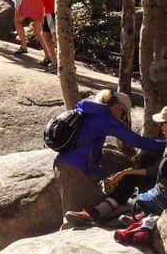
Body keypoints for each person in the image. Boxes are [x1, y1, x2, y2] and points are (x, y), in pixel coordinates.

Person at [56, 89, 166, 221]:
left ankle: (100, 212)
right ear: (117, 106)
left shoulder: (90, 112)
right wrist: (164, 144)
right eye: (123, 112)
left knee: (70, 212)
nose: (122, 116)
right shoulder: (107, 118)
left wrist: (113, 174)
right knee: (73, 215)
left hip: (62, 163)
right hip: (76, 168)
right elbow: (135, 141)